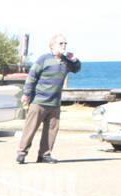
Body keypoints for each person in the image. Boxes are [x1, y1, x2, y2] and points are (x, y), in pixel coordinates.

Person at [16, 34, 81, 164]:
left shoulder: (66, 61)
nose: (64, 46)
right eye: (61, 43)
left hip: (55, 103)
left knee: (51, 131)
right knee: (30, 129)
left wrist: (75, 60)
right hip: (39, 101)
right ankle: (22, 153)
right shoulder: (43, 59)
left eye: (65, 43)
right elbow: (32, 76)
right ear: (53, 45)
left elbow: (76, 69)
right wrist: (27, 93)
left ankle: (44, 155)